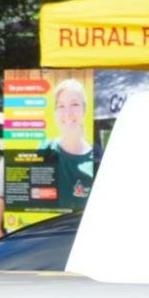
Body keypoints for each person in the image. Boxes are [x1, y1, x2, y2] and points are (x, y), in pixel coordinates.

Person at [48, 78, 96, 209]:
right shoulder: (44, 150)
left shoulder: (98, 159)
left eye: (74, 104)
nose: (68, 113)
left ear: (84, 110)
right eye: (61, 106)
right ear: (55, 112)